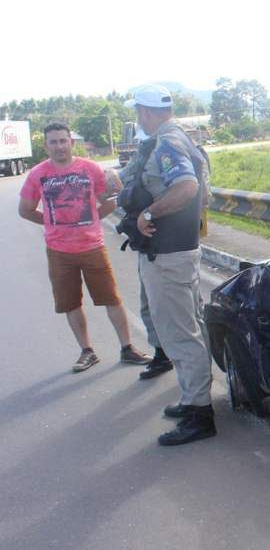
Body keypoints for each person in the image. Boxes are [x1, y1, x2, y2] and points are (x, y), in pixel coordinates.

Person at [122, 84, 215, 446]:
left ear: (145, 112)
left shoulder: (167, 143)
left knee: (180, 334)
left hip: (169, 254)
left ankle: (199, 414)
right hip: (178, 251)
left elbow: (187, 188)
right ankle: (195, 400)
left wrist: (148, 211)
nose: (137, 118)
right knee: (190, 327)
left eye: (137, 112)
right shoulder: (180, 138)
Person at [18, 123, 151, 372]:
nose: (59, 146)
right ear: (46, 146)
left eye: (62, 140)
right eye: (53, 142)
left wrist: (90, 219)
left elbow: (110, 201)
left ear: (72, 142)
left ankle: (127, 348)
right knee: (70, 303)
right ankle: (87, 351)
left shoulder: (90, 169)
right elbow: (25, 210)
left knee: (111, 298)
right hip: (58, 251)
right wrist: (54, 223)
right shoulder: (37, 174)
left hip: (92, 246)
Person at [106, 136, 174, 381]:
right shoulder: (148, 152)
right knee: (152, 305)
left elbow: (191, 191)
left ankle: (193, 383)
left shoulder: (170, 150)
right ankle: (162, 354)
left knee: (178, 310)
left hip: (168, 244)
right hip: (152, 242)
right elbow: (123, 179)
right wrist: (112, 175)